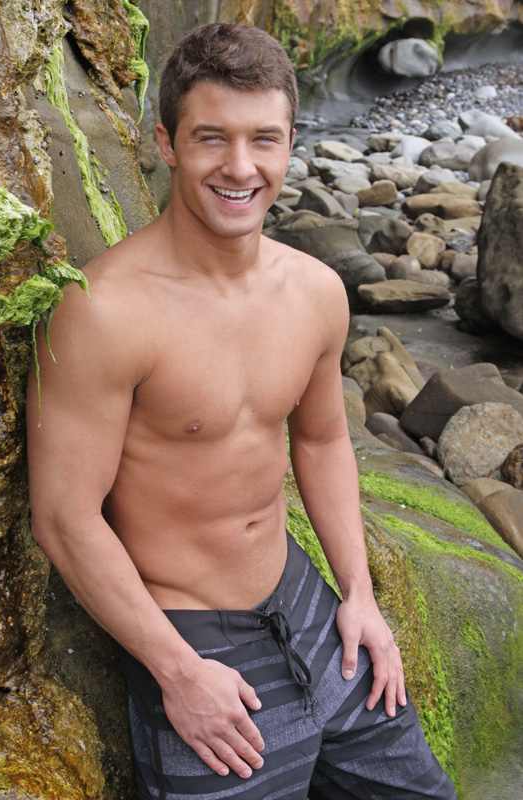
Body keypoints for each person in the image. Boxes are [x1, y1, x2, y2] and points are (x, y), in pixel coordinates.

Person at [26, 22, 457, 800]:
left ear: (290, 143)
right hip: (193, 638)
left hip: (306, 603)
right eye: (211, 138)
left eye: (263, 139)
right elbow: (64, 518)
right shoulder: (104, 313)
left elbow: (321, 441)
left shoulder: (314, 291)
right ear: (166, 143)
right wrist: (176, 672)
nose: (239, 166)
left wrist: (358, 594)